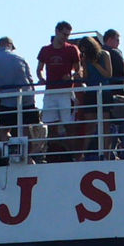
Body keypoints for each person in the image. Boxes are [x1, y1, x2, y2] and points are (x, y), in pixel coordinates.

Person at [37, 21, 82, 162]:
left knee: (69, 124)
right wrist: (41, 79)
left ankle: (72, 155)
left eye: (68, 35)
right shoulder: (45, 50)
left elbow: (79, 69)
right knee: (51, 125)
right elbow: (39, 69)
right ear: (57, 31)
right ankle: (53, 155)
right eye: (64, 34)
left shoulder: (72, 49)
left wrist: (72, 76)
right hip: (50, 92)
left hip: (66, 92)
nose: (65, 37)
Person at [0, 36, 37, 143]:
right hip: (26, 99)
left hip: (7, 101)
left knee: (3, 130)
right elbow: (30, 80)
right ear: (10, 45)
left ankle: (13, 151)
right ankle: (28, 156)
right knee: (26, 129)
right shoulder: (20, 58)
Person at [75, 36, 114, 159]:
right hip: (91, 92)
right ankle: (83, 154)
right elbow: (86, 76)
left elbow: (108, 74)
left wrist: (95, 64)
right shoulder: (85, 58)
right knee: (90, 125)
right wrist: (82, 69)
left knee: (106, 125)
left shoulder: (105, 54)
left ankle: (106, 154)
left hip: (104, 91)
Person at [101, 29, 124, 156]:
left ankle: (109, 153)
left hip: (102, 93)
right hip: (117, 93)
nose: (119, 43)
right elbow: (122, 72)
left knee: (108, 125)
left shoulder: (98, 53)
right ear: (110, 39)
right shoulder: (115, 53)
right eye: (117, 39)